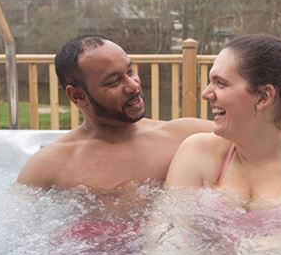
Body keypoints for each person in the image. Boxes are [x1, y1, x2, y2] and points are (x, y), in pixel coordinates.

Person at [165, 34, 281, 210]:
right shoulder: (197, 153)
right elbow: (168, 234)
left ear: (264, 96)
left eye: (220, 83)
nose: (205, 93)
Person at [16, 35, 212, 192]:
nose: (133, 85)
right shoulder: (50, 166)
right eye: (114, 81)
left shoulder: (186, 135)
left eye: (130, 71)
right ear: (78, 95)